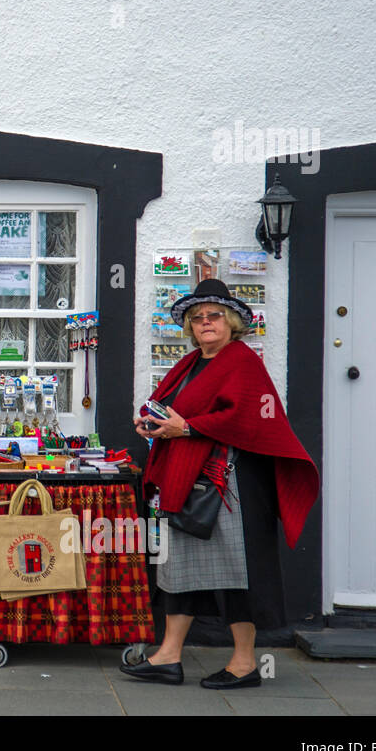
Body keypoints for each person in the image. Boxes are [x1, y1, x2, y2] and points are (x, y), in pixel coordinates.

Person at [120, 278, 319, 689]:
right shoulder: (190, 364)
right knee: (179, 567)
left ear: (230, 322)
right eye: (197, 318)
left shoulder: (242, 361)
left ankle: (245, 663)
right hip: (188, 479)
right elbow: (170, 409)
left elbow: (248, 419)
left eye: (213, 316)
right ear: (190, 328)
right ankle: (169, 656)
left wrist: (188, 427)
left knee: (238, 571)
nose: (205, 323)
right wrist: (153, 423)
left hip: (233, 485)